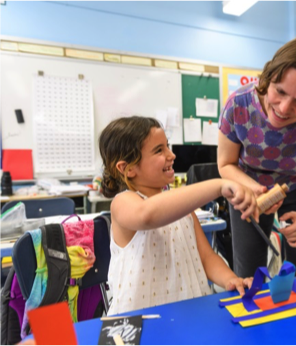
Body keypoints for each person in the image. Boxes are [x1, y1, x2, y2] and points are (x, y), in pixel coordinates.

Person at [218, 35, 296, 277]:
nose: (284, 108)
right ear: (269, 77)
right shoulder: (239, 105)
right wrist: (255, 190)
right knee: (248, 273)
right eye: (279, 91)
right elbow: (226, 164)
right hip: (249, 186)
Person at [99, 116, 257, 315]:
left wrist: (230, 279)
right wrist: (218, 185)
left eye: (167, 146)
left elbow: (207, 257)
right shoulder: (123, 202)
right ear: (127, 168)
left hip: (188, 315)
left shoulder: (182, 208)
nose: (171, 155)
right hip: (139, 323)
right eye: (159, 150)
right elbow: (147, 214)